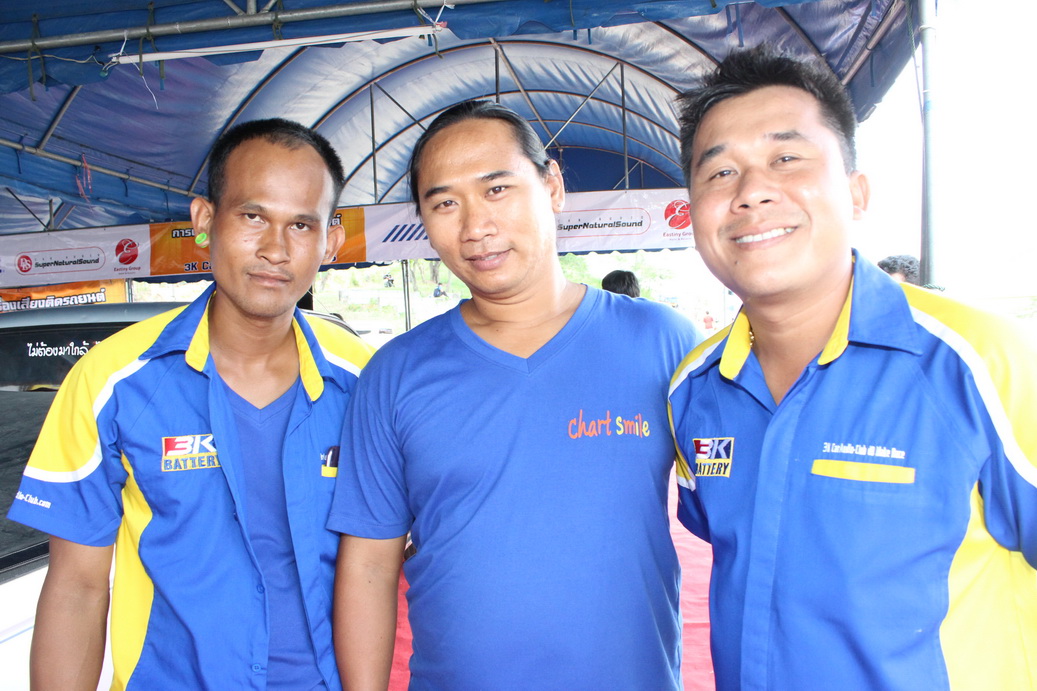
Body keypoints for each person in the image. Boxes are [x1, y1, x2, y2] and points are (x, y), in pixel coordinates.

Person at [668, 45, 1037, 690]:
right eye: (720, 172)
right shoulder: (693, 390)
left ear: (857, 193)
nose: (752, 192)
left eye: (786, 159)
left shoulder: (981, 361)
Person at [330, 100, 703, 690]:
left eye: (497, 189)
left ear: (552, 186)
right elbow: (370, 563)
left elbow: (740, 520)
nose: (475, 226)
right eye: (445, 203)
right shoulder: (396, 373)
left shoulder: (663, 343)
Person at [7, 118, 374, 689]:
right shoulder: (111, 382)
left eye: (301, 224)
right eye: (253, 217)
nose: (275, 249)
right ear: (204, 221)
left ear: (329, 242)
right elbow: (77, 587)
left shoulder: (367, 382)